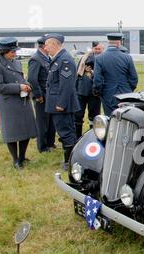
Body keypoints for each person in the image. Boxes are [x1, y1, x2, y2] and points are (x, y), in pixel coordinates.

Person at [0, 37, 37, 169]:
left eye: (15, 51)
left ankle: (22, 156)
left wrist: (26, 85)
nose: (14, 54)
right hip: (10, 103)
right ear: (4, 52)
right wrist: (18, 88)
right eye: (12, 52)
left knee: (25, 131)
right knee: (12, 134)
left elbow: (21, 78)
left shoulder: (17, 63)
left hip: (23, 101)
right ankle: (16, 160)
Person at [44, 33, 80, 170]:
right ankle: (69, 160)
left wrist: (61, 104)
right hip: (57, 103)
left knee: (67, 133)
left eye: (47, 45)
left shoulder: (65, 60)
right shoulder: (58, 59)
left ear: (54, 44)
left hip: (61, 105)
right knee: (65, 132)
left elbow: (67, 85)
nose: (46, 48)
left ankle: (70, 162)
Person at [93, 33, 138, 116]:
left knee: (111, 120)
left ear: (108, 43)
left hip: (108, 94)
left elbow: (97, 80)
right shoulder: (127, 58)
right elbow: (134, 78)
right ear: (118, 43)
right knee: (127, 119)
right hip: (125, 94)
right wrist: (128, 89)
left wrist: (101, 93)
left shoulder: (99, 58)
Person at [27, 36, 56, 153]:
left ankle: (50, 142)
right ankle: (42, 146)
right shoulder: (36, 59)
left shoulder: (46, 58)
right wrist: (38, 95)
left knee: (50, 120)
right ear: (44, 46)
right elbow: (32, 79)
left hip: (49, 95)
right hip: (42, 95)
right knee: (42, 122)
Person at [75, 41, 104, 139]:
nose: (98, 51)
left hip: (90, 91)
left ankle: (89, 137)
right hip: (85, 91)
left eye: (100, 49)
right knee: (81, 115)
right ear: (93, 48)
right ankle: (82, 137)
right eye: (96, 49)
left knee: (91, 116)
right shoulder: (87, 58)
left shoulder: (99, 59)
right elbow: (78, 74)